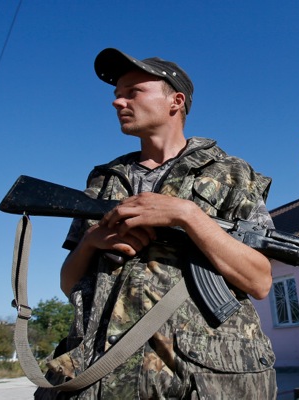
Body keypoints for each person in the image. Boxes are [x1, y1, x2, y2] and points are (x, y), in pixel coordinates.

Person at [39, 48, 277, 399]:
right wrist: (91, 241)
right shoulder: (103, 181)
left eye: (132, 92)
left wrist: (187, 215)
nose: (117, 102)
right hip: (100, 376)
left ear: (175, 102)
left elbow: (259, 281)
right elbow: (69, 284)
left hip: (202, 381)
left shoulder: (231, 173)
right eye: (116, 95)